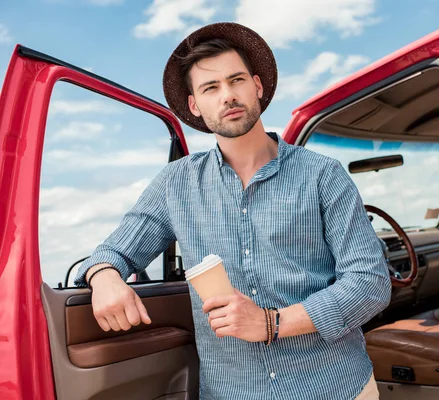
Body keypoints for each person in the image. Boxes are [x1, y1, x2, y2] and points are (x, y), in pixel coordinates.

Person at [75, 22, 391, 400]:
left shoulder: (323, 174)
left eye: (236, 80)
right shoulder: (175, 183)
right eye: (211, 87)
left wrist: (272, 323)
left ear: (257, 86)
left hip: (337, 387)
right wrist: (104, 275)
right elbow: (113, 253)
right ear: (195, 105)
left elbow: (370, 281)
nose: (228, 95)